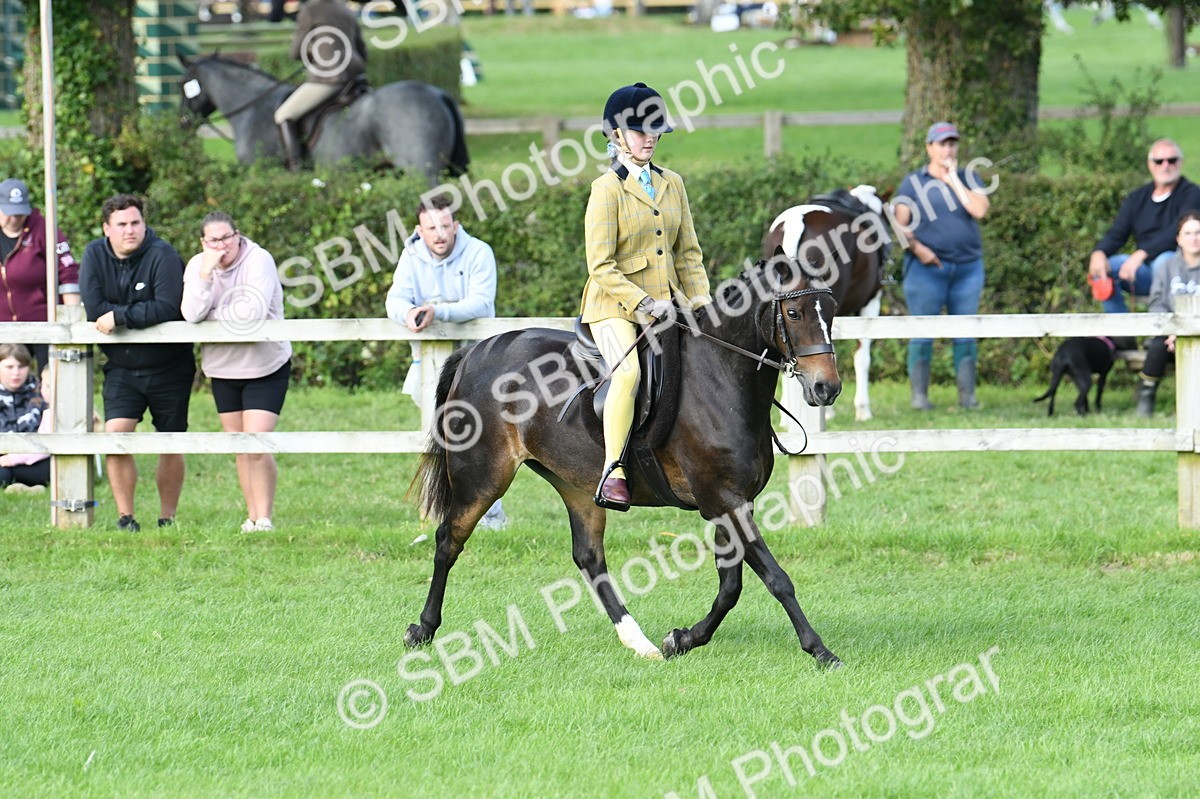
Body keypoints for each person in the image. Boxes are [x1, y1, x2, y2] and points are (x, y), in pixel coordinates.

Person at [580, 82, 712, 511]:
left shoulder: (672, 183)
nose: (650, 138)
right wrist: (643, 305)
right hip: (613, 306)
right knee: (629, 374)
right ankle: (613, 471)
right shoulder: (607, 189)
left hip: (668, 304)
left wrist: (702, 305)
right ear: (616, 136)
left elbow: (688, 253)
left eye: (655, 130)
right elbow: (600, 266)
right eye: (640, 131)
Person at [384, 195, 510, 530]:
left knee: (480, 440)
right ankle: (439, 514)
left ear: (455, 225)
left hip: (477, 365)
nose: (439, 234)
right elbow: (395, 299)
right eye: (431, 227)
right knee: (437, 437)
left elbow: (481, 303)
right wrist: (408, 312)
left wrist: (437, 310)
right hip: (426, 366)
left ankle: (490, 518)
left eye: (444, 225)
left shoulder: (479, 251)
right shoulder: (410, 256)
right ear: (419, 230)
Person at [80, 194, 195, 532]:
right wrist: (120, 314)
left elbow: (167, 307)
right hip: (122, 367)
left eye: (135, 223)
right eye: (122, 225)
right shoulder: (94, 254)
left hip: (170, 365)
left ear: (144, 224)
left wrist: (120, 315)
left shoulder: (164, 255)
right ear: (107, 229)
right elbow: (93, 309)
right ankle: (125, 517)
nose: (130, 230)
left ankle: (167, 518)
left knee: (170, 440)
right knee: (116, 436)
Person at [183, 212, 292, 533]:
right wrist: (205, 276)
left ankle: (266, 517)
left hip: (265, 365)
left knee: (256, 444)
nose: (222, 245)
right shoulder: (197, 266)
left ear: (238, 235)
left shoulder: (259, 260)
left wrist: (211, 315)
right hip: (222, 367)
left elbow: (252, 314)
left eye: (227, 237)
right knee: (240, 447)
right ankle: (252, 516)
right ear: (203, 242)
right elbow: (190, 314)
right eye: (213, 240)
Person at [892, 121, 992, 411]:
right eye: (942, 143)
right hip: (926, 270)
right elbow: (900, 224)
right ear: (929, 148)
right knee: (923, 331)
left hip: (967, 269)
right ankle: (920, 398)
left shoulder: (969, 178)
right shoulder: (913, 183)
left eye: (952, 143)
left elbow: (979, 210)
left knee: (965, 331)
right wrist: (919, 250)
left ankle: (967, 398)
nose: (947, 149)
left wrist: (954, 181)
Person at [1088, 139, 1200, 313]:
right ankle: (1122, 334)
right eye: (1159, 161)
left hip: (1176, 268)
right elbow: (1117, 233)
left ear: (1180, 163)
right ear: (1150, 164)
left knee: (1165, 262)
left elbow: (1176, 232)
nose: (1165, 166)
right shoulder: (1137, 198)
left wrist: (1141, 254)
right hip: (1142, 271)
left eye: (1171, 160)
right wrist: (1098, 252)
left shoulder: (1192, 194)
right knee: (1106, 267)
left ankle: (1165, 332)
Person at [274, 0, 367, 171]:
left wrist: (316, 55)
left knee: (283, 114)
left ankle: (297, 168)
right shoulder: (346, 10)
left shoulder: (310, 10)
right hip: (356, 75)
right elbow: (362, 50)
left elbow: (296, 52)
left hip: (331, 76)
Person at [0, 177, 81, 368]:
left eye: (19, 213)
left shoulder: (44, 228)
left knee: (50, 378)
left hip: (44, 321)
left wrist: (72, 321)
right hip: (4, 326)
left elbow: (67, 271)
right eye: (9, 213)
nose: (14, 219)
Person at [1136, 211, 1200, 417]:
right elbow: (1156, 303)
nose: (1194, 238)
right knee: (1157, 347)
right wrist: (1174, 331)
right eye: (1188, 233)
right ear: (1178, 238)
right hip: (1169, 334)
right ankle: (1146, 398)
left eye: (1198, 232)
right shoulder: (1167, 266)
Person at [0, 357, 51, 493]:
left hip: (38, 458)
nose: (16, 372)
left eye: (21, 366)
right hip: (14, 455)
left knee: (52, 468)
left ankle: (22, 484)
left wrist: (13, 458)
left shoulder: (49, 409)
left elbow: (44, 446)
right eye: (9, 367)